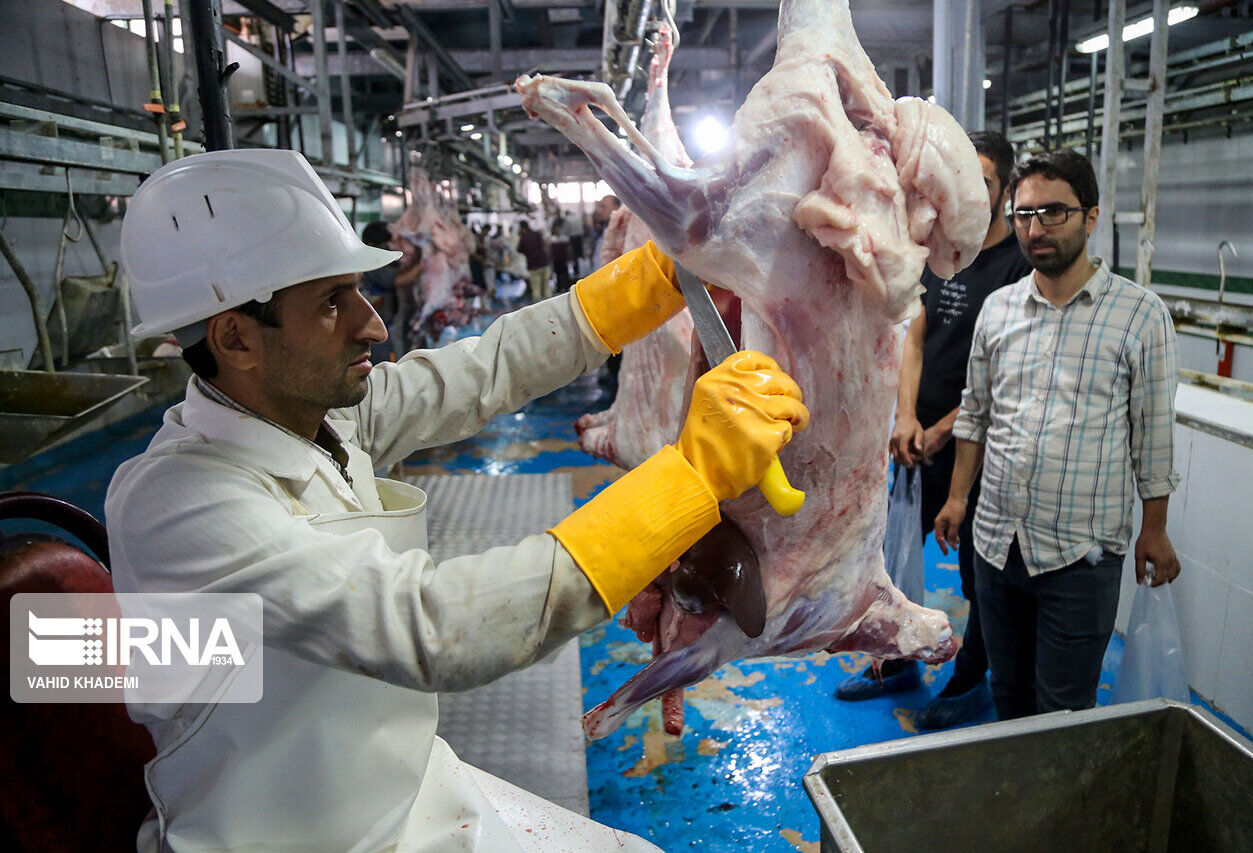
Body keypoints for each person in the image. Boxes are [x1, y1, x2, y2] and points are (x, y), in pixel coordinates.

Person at [107, 148, 808, 851]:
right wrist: (689, 477)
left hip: (405, 791)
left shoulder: (319, 419)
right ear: (235, 338)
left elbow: (483, 371)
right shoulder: (181, 504)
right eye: (331, 302)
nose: (373, 324)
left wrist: (636, 291)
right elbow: (431, 626)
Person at [935, 149, 1182, 721]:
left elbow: (1153, 435)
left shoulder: (1140, 316)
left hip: (1080, 554)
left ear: (1090, 217)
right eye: (1023, 215)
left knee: (1063, 709)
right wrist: (956, 498)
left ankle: (1058, 809)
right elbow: (975, 413)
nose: (1035, 228)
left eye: (1053, 213)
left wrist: (1156, 529)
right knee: (1009, 695)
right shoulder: (998, 310)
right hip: (997, 542)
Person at [833, 132, 1032, 730]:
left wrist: (948, 426)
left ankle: (973, 682)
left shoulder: (1018, 265)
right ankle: (895, 663)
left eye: (985, 181)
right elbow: (913, 337)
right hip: (920, 438)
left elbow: (1006, 369)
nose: (970, 192)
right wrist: (905, 417)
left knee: (979, 574)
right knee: (893, 560)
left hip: (981, 446)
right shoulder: (940, 249)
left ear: (1002, 192)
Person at [359, 221, 421, 363]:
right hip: (381, 324)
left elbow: (396, 272)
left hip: (388, 321)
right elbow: (397, 280)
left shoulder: (376, 259)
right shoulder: (371, 261)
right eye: (387, 243)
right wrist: (423, 263)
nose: (391, 247)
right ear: (376, 244)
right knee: (388, 361)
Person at [517, 219, 552, 301]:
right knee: (546, 287)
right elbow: (544, 244)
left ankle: (539, 310)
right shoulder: (537, 234)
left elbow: (519, 249)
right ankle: (550, 307)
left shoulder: (524, 238)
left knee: (536, 289)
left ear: (521, 228)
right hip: (544, 263)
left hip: (533, 266)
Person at [549, 219, 574, 293]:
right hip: (556, 259)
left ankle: (566, 287)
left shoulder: (565, 238)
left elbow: (569, 249)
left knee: (565, 273)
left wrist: (570, 257)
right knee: (557, 274)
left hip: (563, 259)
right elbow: (550, 250)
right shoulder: (552, 239)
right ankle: (559, 287)